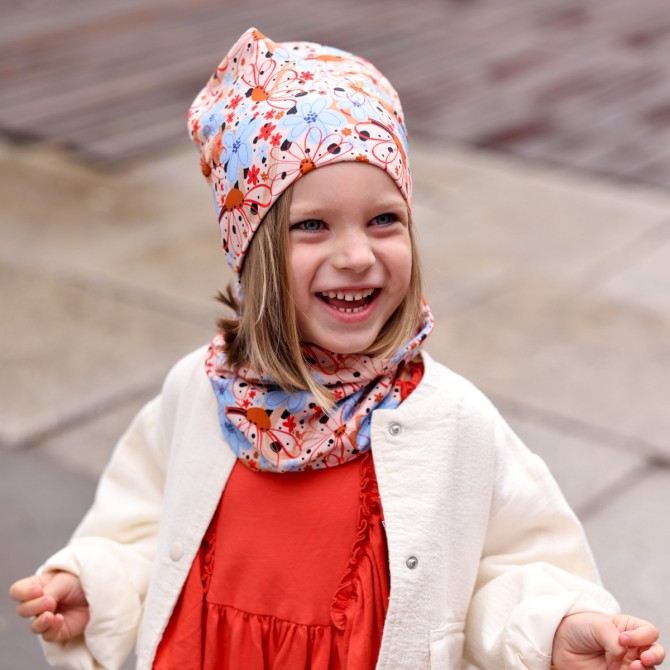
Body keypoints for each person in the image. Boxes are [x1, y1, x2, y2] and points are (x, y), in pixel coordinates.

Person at [8, 27, 665, 670]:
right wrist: (95, 584)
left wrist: (558, 629)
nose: (356, 256)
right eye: (312, 226)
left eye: (384, 219)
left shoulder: (454, 423)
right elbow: (141, 528)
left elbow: (507, 569)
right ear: (252, 254)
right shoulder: (198, 395)